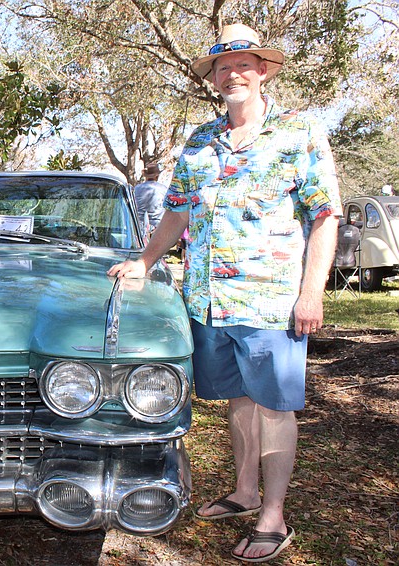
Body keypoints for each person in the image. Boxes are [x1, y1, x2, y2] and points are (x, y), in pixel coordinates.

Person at [107, 23, 341, 563]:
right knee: (239, 401)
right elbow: (178, 211)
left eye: (243, 63)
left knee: (275, 406)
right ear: (213, 77)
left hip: (271, 302)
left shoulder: (298, 133)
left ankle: (273, 517)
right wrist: (144, 260)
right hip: (208, 300)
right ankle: (243, 492)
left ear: (263, 71)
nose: (232, 73)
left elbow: (323, 219)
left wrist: (312, 292)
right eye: (222, 66)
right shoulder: (200, 140)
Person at [133, 162, 168, 232]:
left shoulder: (136, 189)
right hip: (158, 227)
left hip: (138, 226)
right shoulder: (164, 189)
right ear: (157, 176)